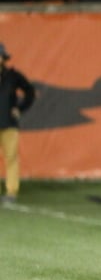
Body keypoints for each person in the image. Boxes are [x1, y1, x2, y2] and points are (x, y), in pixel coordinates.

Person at [0, 43, 36, 203]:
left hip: (9, 124)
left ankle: (11, 192)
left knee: (11, 157)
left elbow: (30, 91)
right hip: (8, 123)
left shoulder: (13, 76)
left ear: (3, 58)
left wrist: (20, 109)